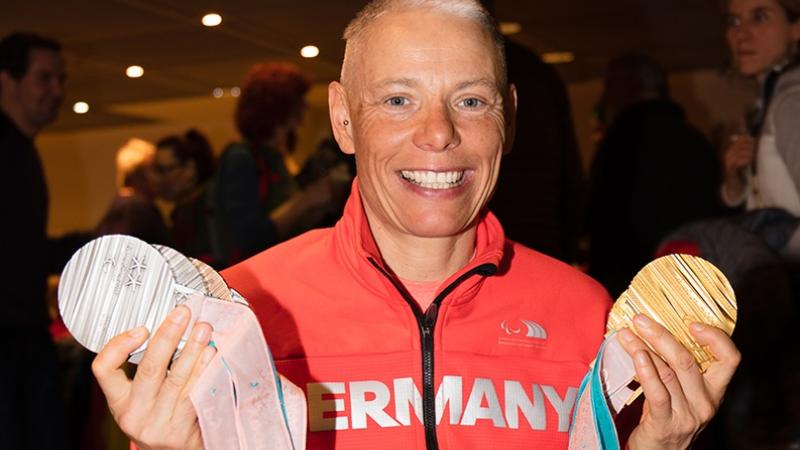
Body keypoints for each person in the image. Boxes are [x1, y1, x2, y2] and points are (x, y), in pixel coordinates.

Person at [92, 2, 740, 449]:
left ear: (508, 118)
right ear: (343, 118)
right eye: (399, 99)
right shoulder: (238, 311)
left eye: (471, 99)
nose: (438, 133)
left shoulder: (585, 312)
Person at [588, 53, 725, 297]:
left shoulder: (621, 140)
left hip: (634, 283)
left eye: (609, 85)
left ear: (631, 85)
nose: (604, 97)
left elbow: (602, 215)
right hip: (694, 275)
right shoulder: (693, 137)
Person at [0, 31, 69, 449]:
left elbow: (20, 250)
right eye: (44, 78)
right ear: (6, 79)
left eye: (61, 80)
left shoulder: (22, 151)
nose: (57, 91)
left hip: (23, 335)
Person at [214, 62, 336, 265]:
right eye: (299, 100)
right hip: (254, 278)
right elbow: (251, 238)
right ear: (279, 105)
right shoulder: (241, 157)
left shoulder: (275, 157)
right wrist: (307, 201)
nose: (305, 107)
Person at [722, 0, 800, 218]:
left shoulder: (792, 103)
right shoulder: (769, 101)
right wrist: (735, 179)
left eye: (759, 17)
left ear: (796, 28)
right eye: (734, 21)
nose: (741, 34)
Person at [153, 130, 219, 265]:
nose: (159, 179)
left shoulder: (213, 208)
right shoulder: (180, 213)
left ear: (190, 168)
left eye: (165, 170)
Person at [96, 137, 171, 245]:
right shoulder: (139, 209)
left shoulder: (121, 204)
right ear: (139, 174)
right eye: (156, 170)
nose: (163, 177)